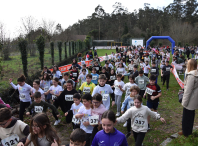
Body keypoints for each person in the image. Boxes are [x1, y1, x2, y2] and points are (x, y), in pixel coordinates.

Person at [178, 59, 198, 137]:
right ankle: (188, 131)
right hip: (194, 99)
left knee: (186, 118)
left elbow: (188, 91)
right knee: (191, 116)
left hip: (190, 100)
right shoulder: (196, 73)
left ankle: (186, 132)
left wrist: (184, 102)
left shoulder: (191, 76)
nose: (186, 65)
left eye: (188, 64)